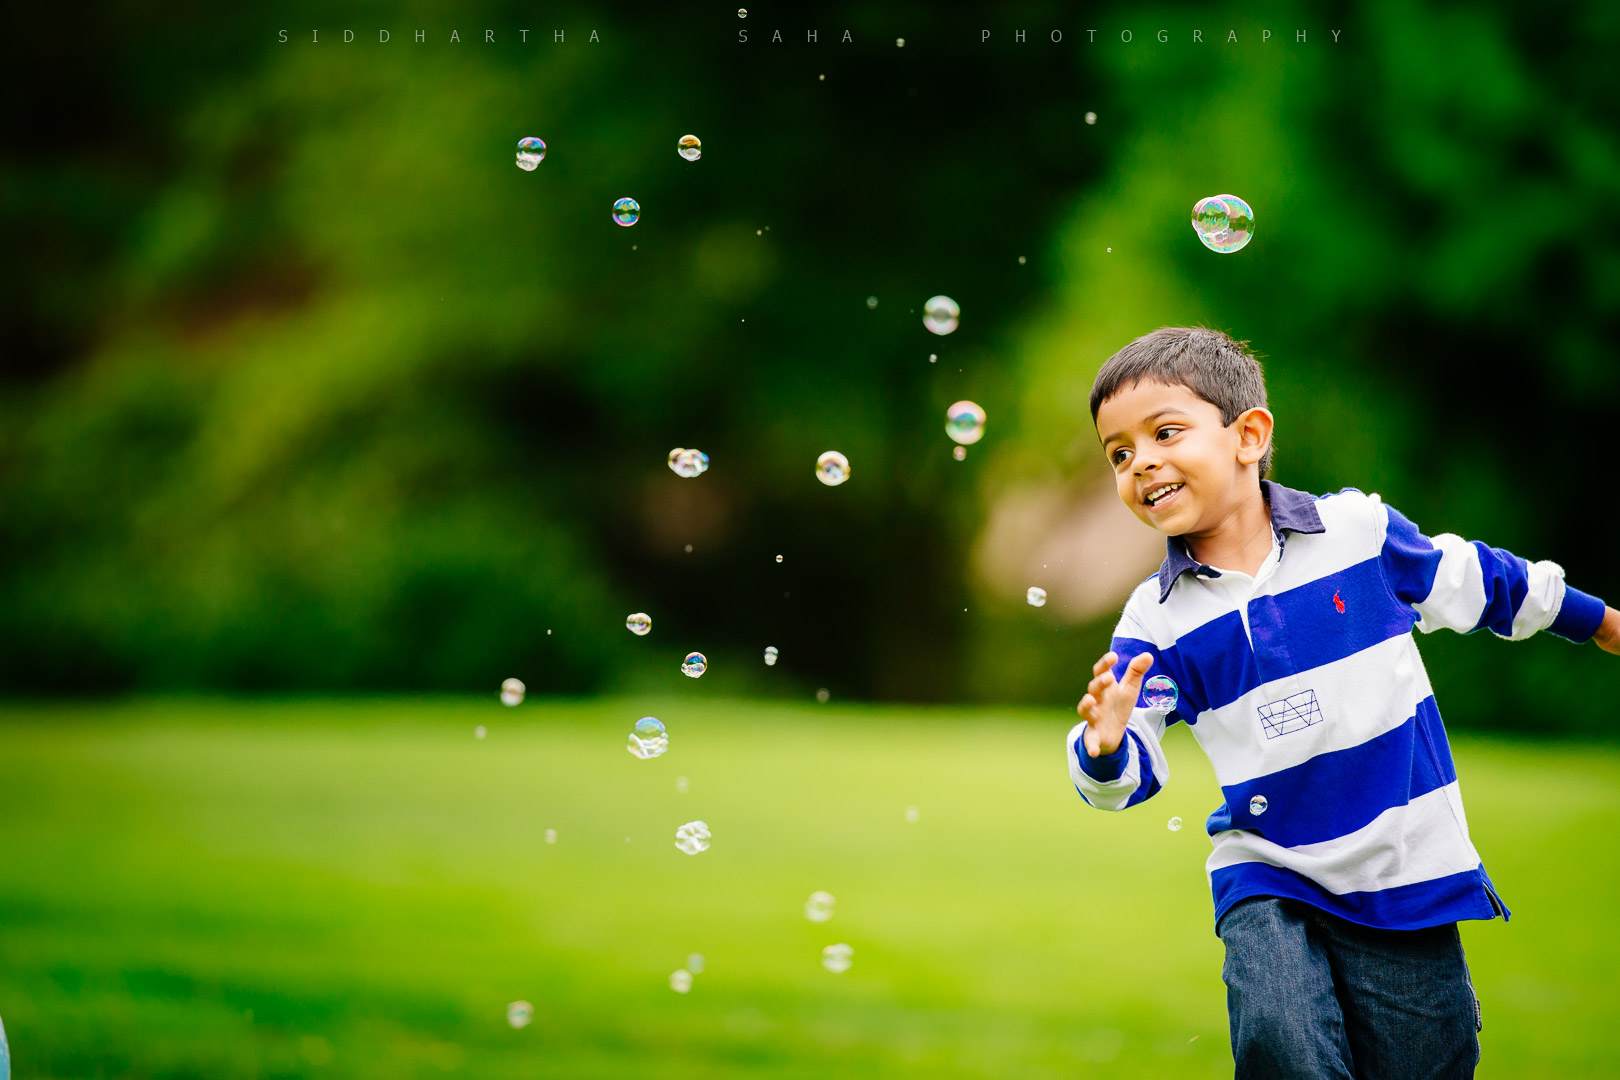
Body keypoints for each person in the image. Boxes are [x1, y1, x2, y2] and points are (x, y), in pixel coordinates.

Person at [1068, 326, 1619, 1079]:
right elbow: (1132, 756)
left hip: (1405, 868)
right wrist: (1105, 748)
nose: (1143, 464)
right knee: (1278, 1036)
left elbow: (1483, 580)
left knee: (1428, 1061)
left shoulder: (1356, 534)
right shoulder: (1155, 621)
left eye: (1165, 432)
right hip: (1270, 871)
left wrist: (1603, 623)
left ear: (1248, 436)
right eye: (1120, 454)